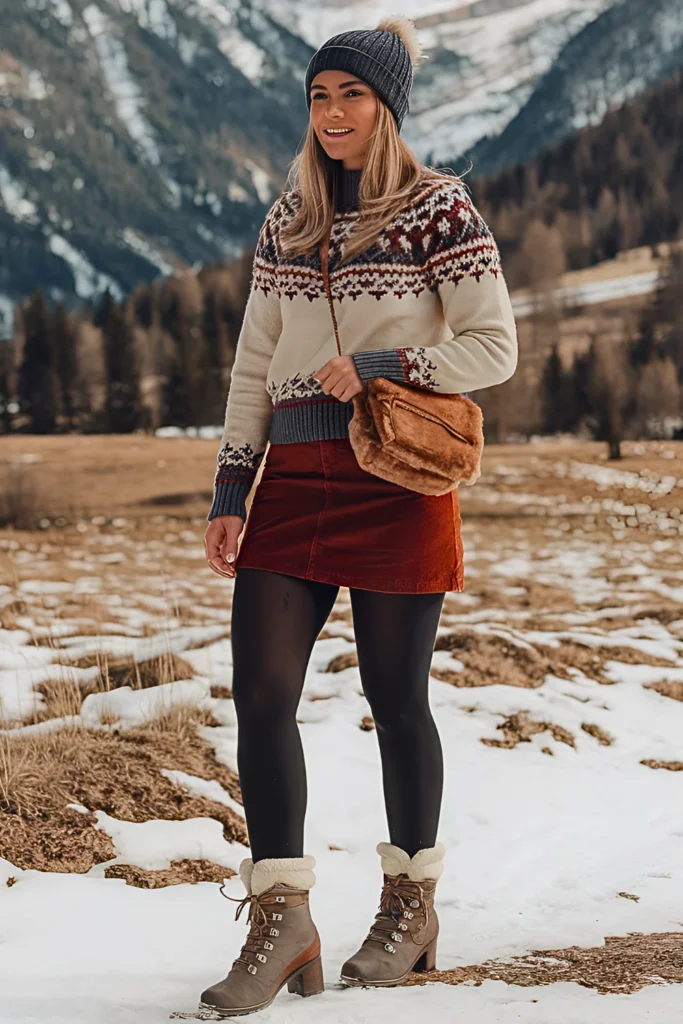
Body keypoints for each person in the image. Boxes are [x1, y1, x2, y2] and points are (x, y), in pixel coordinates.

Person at [200, 14, 517, 1017]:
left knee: (395, 695)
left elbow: (493, 346)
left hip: (398, 478)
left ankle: (410, 904)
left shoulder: (437, 208)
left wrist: (383, 364)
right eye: (317, 96)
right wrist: (230, 484)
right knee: (260, 689)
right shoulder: (287, 218)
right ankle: (281, 917)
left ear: (386, 105)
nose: (331, 114)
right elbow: (255, 361)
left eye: (350, 96)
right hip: (293, 480)